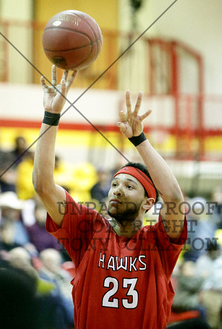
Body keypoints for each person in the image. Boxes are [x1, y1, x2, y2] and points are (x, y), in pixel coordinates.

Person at [32, 66, 188, 329]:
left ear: (148, 203)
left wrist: (139, 139)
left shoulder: (159, 242)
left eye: (129, 186)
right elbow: (43, 186)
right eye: (115, 183)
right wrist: (51, 114)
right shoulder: (88, 229)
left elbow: (172, 196)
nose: (116, 189)